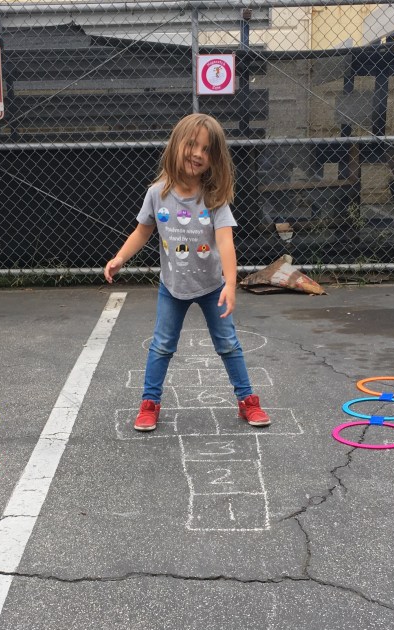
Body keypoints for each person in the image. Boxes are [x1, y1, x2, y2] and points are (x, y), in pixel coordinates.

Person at [104, 113, 271, 432]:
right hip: (173, 287)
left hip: (212, 287)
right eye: (192, 144)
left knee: (228, 344)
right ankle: (150, 402)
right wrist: (120, 257)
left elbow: (226, 242)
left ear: (214, 158)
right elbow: (142, 231)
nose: (197, 154)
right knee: (162, 345)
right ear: (176, 145)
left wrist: (231, 284)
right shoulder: (157, 193)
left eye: (206, 149)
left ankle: (247, 400)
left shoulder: (214, 197)